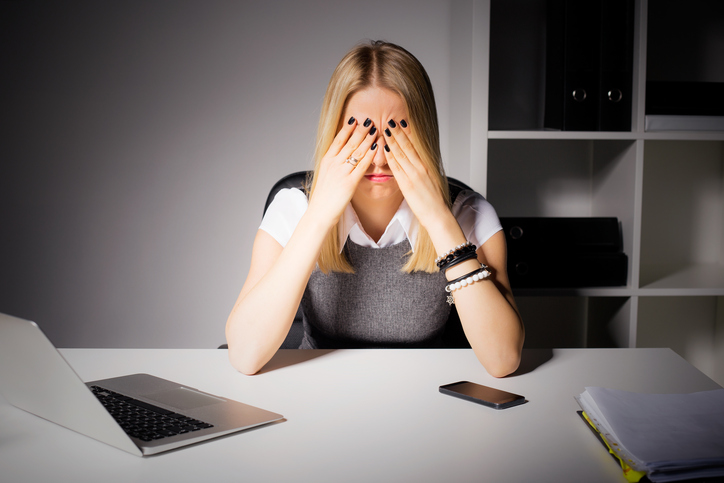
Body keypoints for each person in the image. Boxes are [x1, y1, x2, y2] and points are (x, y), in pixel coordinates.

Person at [226, 40, 524, 377]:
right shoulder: (293, 207)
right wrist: (318, 215)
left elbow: (503, 360)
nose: (380, 159)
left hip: (427, 397)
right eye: (362, 135)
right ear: (335, 132)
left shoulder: (470, 214)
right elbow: (244, 355)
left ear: (424, 134)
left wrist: (440, 220)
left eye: (395, 135)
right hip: (316, 392)